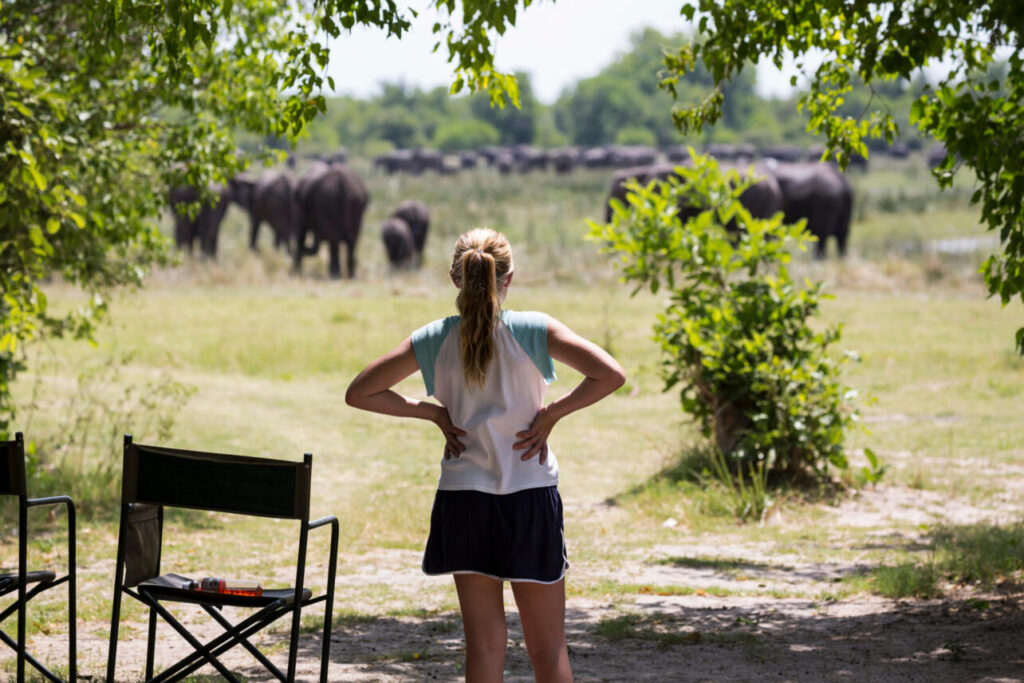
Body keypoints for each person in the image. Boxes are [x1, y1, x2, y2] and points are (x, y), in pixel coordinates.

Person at [345, 228, 625, 682]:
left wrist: (432, 413)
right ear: (509, 277)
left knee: (485, 646)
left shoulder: (433, 337)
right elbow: (610, 374)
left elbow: (360, 392)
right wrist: (552, 413)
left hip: (464, 501)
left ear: (455, 279)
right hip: (529, 498)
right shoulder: (536, 328)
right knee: (548, 648)